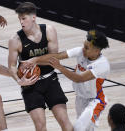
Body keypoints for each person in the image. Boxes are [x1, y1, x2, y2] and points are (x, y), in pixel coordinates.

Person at [23, 29, 110, 131]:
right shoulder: (81, 51)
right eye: (84, 45)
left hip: (95, 101)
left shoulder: (102, 65)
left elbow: (79, 79)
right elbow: (57, 56)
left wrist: (60, 67)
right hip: (80, 99)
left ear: (97, 51)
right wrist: (35, 60)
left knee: (79, 128)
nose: (83, 49)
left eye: (87, 48)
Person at [8, 2, 73, 131]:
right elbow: (11, 66)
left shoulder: (49, 31)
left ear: (33, 17)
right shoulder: (15, 40)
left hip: (50, 80)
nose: (21, 22)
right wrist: (19, 80)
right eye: (19, 19)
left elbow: (54, 59)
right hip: (30, 85)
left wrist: (34, 61)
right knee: (40, 126)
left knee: (65, 122)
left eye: (24, 18)